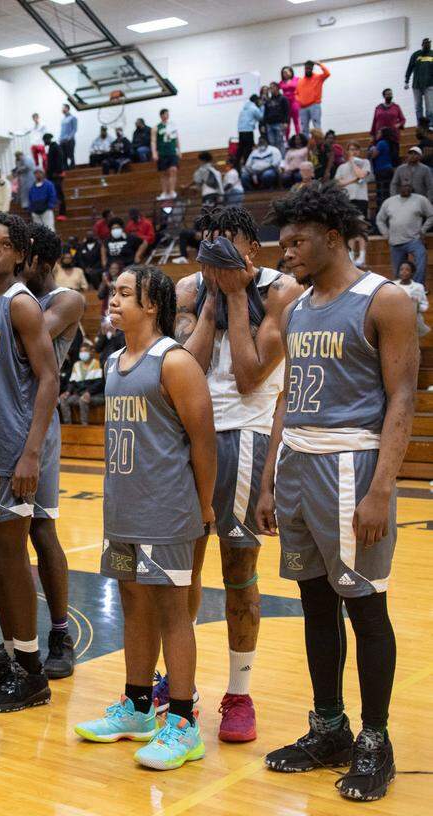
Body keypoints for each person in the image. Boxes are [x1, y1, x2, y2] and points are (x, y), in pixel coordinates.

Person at [258, 182, 416, 802]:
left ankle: (375, 741)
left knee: (365, 607)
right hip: (298, 464)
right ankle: (329, 728)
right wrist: (271, 475)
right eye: (284, 242)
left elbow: (402, 396)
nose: (287, 253)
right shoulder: (294, 307)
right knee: (315, 604)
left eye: (297, 242)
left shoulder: (386, 299)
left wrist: (382, 489)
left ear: (332, 237)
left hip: (353, 466)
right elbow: (286, 396)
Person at [73, 265, 215, 771]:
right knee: (132, 604)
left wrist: (203, 508)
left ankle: (183, 722)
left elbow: (203, 440)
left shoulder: (174, 362)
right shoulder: (114, 362)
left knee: (174, 612)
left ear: (152, 305)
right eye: (113, 291)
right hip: (124, 509)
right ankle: (136, 707)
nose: (113, 299)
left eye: (125, 293)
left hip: (169, 510)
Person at [173, 206, 302, 744]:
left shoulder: (281, 291)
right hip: (189, 436)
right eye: (210, 243)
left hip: (245, 437)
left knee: (240, 574)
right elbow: (187, 366)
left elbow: (250, 377)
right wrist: (211, 297)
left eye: (228, 243)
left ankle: (239, 694)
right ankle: (179, 688)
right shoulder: (186, 290)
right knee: (183, 572)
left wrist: (232, 293)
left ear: (253, 249)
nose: (217, 252)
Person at [0, 213, 58, 713]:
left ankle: (32, 671)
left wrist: (31, 452)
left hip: (10, 452)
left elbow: (48, 379)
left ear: (22, 256)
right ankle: (10, 651)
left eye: (6, 245)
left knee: (11, 557)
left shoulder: (20, 305)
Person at [20, 224, 84, 678]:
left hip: (36, 425)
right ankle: (14, 639)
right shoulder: (3, 299)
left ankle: (60, 631)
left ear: (40, 261)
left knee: (42, 530)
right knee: (0, 538)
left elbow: (27, 339)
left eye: (16, 255)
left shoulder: (65, 300)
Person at [376, 181, 433, 282]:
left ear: (412, 188)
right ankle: (401, 291)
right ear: (398, 188)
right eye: (403, 186)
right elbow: (379, 219)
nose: (406, 188)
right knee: (398, 271)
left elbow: (431, 215)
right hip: (395, 241)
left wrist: (423, 230)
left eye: (408, 186)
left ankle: (418, 287)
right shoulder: (389, 201)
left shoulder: (420, 199)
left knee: (421, 260)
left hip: (414, 240)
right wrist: (386, 233)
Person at [60, 342, 102, 425]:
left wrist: (88, 392)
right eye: (81, 351)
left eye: (85, 351)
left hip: (94, 394)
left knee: (82, 400)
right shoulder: (76, 365)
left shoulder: (96, 363)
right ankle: (68, 425)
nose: (83, 353)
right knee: (63, 399)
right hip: (79, 394)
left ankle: (84, 426)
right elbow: (72, 382)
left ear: (90, 352)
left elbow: (99, 383)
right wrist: (68, 392)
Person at [335, 142, 373, 221]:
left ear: (359, 151)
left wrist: (353, 162)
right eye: (352, 150)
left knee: (361, 224)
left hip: (361, 198)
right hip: (346, 199)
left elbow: (361, 175)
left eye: (356, 149)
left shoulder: (365, 162)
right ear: (347, 151)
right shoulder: (341, 167)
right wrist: (355, 179)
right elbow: (338, 184)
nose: (354, 152)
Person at [394, 260, 430, 338]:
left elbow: (424, 304)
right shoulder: (393, 285)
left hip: (413, 319)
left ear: (412, 273)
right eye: (401, 269)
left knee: (412, 338)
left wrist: (417, 306)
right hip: (396, 317)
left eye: (407, 270)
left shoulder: (418, 287)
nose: (404, 272)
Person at [371, 89, 405, 167]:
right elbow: (374, 121)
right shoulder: (378, 108)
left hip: (393, 136)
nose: (389, 95)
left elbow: (403, 120)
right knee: (380, 156)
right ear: (384, 96)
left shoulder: (396, 107)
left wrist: (398, 125)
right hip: (380, 136)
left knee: (394, 157)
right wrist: (372, 136)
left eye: (390, 94)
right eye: (387, 94)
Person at [152, 109, 180, 200]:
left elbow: (176, 138)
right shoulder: (156, 127)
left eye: (168, 114)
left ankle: (172, 191)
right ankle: (164, 192)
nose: (167, 116)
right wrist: (154, 152)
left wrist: (179, 150)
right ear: (161, 115)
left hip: (172, 151)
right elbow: (153, 141)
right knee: (163, 173)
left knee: (173, 170)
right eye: (165, 114)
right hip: (162, 152)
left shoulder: (172, 126)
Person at [296, 60, 329, 134]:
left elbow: (327, 73)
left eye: (309, 68)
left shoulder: (318, 77)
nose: (308, 70)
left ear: (312, 69)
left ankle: (319, 144)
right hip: (303, 108)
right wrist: (299, 101)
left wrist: (320, 64)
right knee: (304, 128)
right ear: (304, 69)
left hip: (314, 105)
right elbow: (296, 93)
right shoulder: (300, 81)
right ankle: (307, 144)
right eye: (306, 68)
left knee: (316, 125)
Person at [404, 37, 433, 121]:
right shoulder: (416, 55)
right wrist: (406, 81)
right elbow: (409, 68)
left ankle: (430, 124)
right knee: (418, 106)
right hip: (417, 85)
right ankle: (420, 125)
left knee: (430, 107)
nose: (428, 44)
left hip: (429, 85)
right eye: (426, 43)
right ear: (422, 45)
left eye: (429, 43)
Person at [42, 136, 68, 220]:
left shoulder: (55, 147)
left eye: (44, 140)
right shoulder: (52, 147)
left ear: (48, 139)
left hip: (55, 176)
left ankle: (62, 213)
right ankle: (58, 212)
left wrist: (57, 172)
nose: (44, 142)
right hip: (53, 175)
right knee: (55, 194)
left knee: (59, 195)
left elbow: (59, 161)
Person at [370, 129, 396, 213]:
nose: (376, 134)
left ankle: (383, 211)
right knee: (386, 192)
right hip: (387, 169)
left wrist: (371, 147)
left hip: (382, 170)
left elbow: (373, 155)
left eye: (378, 133)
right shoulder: (386, 142)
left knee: (381, 193)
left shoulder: (381, 143)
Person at [262, 81, 290, 156]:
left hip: (279, 124)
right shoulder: (268, 101)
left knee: (280, 142)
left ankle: (282, 160)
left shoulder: (283, 98)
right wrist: (264, 125)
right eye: (270, 88)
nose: (271, 89)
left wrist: (286, 122)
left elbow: (287, 111)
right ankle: (275, 158)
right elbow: (265, 113)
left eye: (272, 87)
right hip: (269, 125)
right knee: (271, 143)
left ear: (277, 88)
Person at [237, 94, 262, 167]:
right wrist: (261, 107)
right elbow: (260, 117)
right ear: (256, 100)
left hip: (241, 130)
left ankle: (236, 164)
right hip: (248, 130)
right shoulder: (254, 108)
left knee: (241, 148)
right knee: (248, 148)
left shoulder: (244, 108)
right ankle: (247, 164)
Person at [279, 66, 301, 137]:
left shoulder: (297, 79)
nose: (284, 74)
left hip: (294, 102)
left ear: (291, 72)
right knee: (287, 123)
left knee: (296, 122)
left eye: (286, 72)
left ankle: (299, 138)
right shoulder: (281, 82)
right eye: (283, 73)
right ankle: (286, 140)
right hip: (285, 105)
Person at [59, 103, 77, 169]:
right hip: (62, 140)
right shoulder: (63, 120)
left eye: (63, 108)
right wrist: (60, 138)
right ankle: (65, 169)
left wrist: (69, 138)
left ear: (67, 108)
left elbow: (74, 129)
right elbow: (62, 130)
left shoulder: (73, 118)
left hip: (69, 140)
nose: (62, 109)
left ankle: (72, 170)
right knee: (63, 156)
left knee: (70, 156)